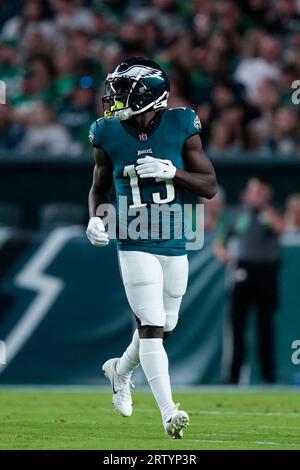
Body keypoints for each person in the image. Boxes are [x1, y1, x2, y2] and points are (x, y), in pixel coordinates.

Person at [86, 57, 217, 438]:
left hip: (176, 237)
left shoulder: (181, 124)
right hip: (133, 238)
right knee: (152, 325)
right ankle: (168, 412)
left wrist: (173, 173)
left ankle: (120, 370)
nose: (114, 97)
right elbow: (99, 187)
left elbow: (209, 185)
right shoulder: (106, 132)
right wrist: (96, 217)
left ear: (147, 94)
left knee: (165, 327)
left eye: (123, 90)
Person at [215, 177, 284, 384]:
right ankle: (233, 375)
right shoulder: (237, 214)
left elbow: (281, 229)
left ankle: (268, 375)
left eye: (259, 192)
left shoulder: (271, 212)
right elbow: (220, 241)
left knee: (265, 326)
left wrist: (264, 208)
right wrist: (225, 255)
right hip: (243, 272)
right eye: (252, 191)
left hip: (267, 273)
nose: (254, 196)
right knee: (237, 325)